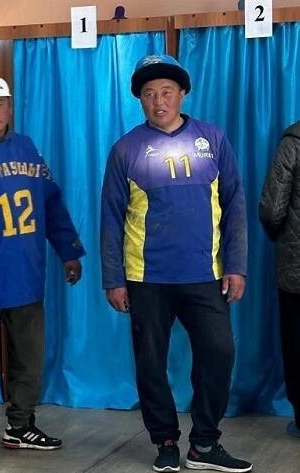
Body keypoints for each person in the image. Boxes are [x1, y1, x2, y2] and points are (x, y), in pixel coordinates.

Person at [100, 54, 252, 473]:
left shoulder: (212, 139)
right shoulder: (126, 149)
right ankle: (165, 439)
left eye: (166, 91)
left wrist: (236, 265)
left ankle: (204, 443)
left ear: (182, 93)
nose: (159, 101)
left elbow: (235, 204)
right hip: (146, 277)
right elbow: (110, 218)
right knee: (151, 363)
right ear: (140, 100)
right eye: (149, 94)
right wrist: (113, 278)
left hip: (206, 274)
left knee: (219, 352)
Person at [0, 75, 85, 459]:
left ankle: (20, 424)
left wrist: (68, 250)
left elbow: (51, 202)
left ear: (10, 107)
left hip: (26, 269)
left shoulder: (27, 147)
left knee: (29, 355)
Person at [259, 120, 300, 439]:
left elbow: (272, 209)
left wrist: (282, 238)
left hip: (296, 267)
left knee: (296, 343)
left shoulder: (293, 141)